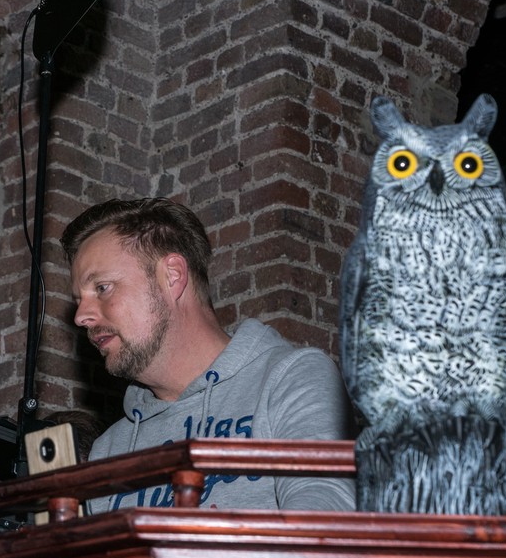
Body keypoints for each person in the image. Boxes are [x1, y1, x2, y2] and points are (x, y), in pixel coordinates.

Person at [60, 197, 357, 513]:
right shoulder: (109, 449)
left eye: (102, 288)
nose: (81, 316)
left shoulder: (291, 378)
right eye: (79, 300)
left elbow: (324, 519)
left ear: (172, 276)